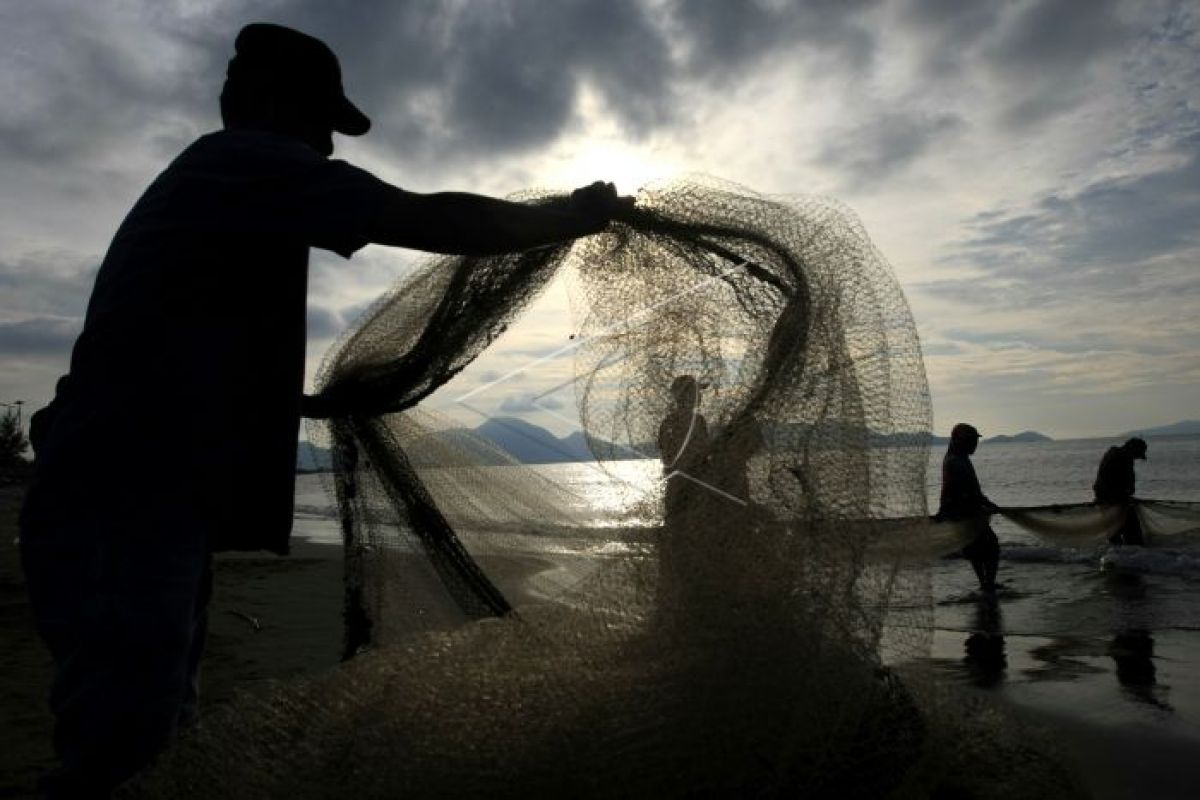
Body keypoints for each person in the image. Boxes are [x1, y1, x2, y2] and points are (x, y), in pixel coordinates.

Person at [19, 23, 628, 798]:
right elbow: (424, 218)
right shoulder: (244, 161)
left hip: (136, 491)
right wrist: (564, 218)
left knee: (156, 722)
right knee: (122, 748)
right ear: (271, 104)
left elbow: (187, 344)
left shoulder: (227, 188)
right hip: (119, 493)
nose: (331, 148)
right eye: (322, 123)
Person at [935, 422, 1000, 593]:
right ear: (961, 441)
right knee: (991, 548)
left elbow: (970, 490)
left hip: (963, 512)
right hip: (964, 514)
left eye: (975, 441)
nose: (975, 445)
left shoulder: (958, 458)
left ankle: (985, 584)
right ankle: (988, 585)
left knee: (975, 549)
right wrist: (984, 503)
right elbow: (963, 491)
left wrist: (985, 502)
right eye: (972, 441)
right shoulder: (956, 461)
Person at [1093, 436, 1148, 545]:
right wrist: (1125, 496)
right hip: (1117, 503)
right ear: (1133, 449)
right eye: (1137, 455)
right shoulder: (1124, 458)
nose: (1136, 458)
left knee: (1114, 538)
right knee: (1135, 540)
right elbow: (1124, 484)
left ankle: (1115, 559)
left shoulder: (1112, 452)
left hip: (1104, 502)